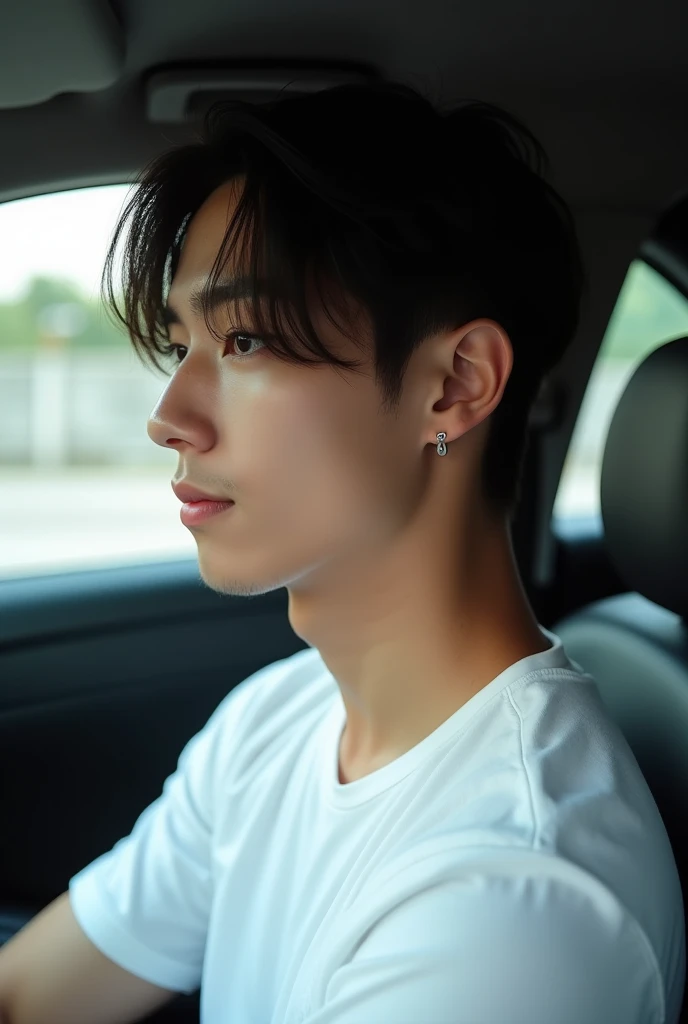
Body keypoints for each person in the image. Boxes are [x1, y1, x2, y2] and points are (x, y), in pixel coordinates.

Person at [0, 79, 684, 1024]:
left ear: (453, 385)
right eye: (179, 342)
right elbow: (31, 993)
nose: (169, 420)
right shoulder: (277, 723)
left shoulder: (514, 906)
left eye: (242, 339)